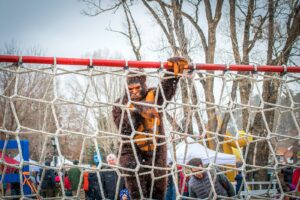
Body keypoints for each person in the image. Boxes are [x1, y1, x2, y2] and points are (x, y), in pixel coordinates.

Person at [112, 57, 188, 199]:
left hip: (156, 150)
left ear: (143, 85)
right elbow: (124, 128)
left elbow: (165, 92)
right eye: (130, 89)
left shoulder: (153, 96)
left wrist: (172, 74)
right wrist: (139, 111)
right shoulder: (120, 104)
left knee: (157, 192)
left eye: (137, 88)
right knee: (134, 177)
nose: (134, 92)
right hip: (131, 149)